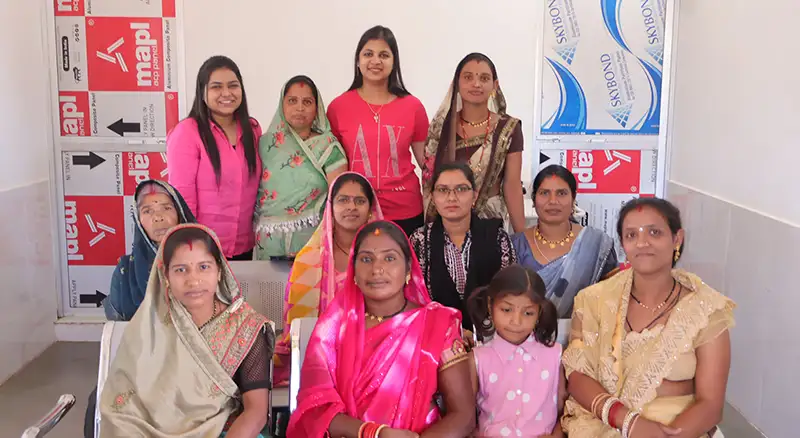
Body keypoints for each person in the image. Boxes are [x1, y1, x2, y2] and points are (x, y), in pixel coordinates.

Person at [562, 197, 735, 438]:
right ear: (623, 244)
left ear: (677, 239)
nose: (642, 243)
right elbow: (577, 376)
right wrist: (628, 422)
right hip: (604, 425)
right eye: (631, 235)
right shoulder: (593, 301)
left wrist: (668, 436)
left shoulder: (705, 310)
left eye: (654, 232)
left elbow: (710, 405)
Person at [286, 221, 476, 438]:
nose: (377, 269)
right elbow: (315, 408)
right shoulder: (333, 328)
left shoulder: (437, 324)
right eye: (366, 259)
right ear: (353, 270)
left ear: (408, 268)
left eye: (390, 258)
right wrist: (373, 433)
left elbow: (463, 416)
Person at [99, 224, 275, 438]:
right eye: (181, 270)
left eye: (204, 267)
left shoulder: (245, 328)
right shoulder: (147, 328)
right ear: (165, 276)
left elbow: (256, 412)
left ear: (219, 271)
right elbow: (122, 411)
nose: (194, 280)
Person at [273, 172, 383, 385]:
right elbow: (299, 327)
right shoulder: (309, 260)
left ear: (370, 209)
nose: (351, 207)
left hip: (374, 354)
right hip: (318, 355)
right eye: (343, 200)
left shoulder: (384, 256)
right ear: (330, 208)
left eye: (360, 201)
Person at [327, 25, 430, 237]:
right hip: (356, 211)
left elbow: (427, 163)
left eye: (384, 55)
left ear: (394, 62)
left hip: (406, 210)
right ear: (358, 61)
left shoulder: (413, 107)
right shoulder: (338, 107)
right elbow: (333, 166)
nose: (375, 61)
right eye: (368, 54)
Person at [167, 55, 262, 260]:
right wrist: (190, 247)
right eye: (216, 87)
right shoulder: (187, 132)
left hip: (244, 246)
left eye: (233, 86)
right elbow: (183, 199)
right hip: (202, 248)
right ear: (202, 92)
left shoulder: (252, 130)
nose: (226, 93)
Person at [422, 53, 525, 233]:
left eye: (484, 78)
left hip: (489, 223)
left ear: (495, 85)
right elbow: (430, 180)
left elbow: (512, 185)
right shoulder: (440, 128)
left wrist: (521, 236)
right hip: (446, 223)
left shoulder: (508, 129)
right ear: (457, 84)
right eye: (468, 77)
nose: (476, 84)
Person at [410, 162, 515, 334]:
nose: (452, 198)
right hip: (436, 335)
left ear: (474, 196)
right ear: (433, 197)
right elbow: (415, 299)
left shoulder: (497, 237)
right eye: (443, 190)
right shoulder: (420, 240)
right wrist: (450, 332)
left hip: (491, 335)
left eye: (461, 189)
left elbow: (510, 293)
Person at [254, 75, 347, 260]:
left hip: (312, 240)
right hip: (268, 241)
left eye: (307, 102)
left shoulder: (328, 146)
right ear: (282, 105)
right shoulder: (265, 145)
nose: (300, 108)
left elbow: (339, 198)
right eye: (292, 101)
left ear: (317, 108)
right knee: (267, 280)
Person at [467, 265, 565, 438]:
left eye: (528, 313)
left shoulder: (554, 355)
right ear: (490, 306)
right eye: (507, 310)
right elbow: (465, 419)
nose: (516, 321)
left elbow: (565, 411)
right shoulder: (478, 359)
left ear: (539, 312)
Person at [511, 165, 618, 318]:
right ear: (534, 199)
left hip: (583, 331)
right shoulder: (514, 245)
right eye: (544, 193)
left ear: (573, 198)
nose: (553, 201)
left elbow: (611, 301)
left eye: (561, 193)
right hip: (523, 331)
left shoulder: (596, 244)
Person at [103, 179, 196, 321]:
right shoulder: (126, 272)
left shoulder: (204, 262)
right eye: (147, 211)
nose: (158, 217)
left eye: (166, 208)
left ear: (179, 213)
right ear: (138, 220)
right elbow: (119, 329)